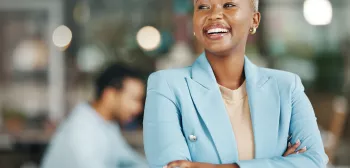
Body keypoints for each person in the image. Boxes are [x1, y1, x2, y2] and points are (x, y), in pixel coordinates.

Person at [143, 0, 329, 168]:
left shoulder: (287, 87)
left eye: (228, 5)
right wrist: (281, 162)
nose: (213, 14)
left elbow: (314, 161)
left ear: (254, 20)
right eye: (203, 7)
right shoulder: (166, 85)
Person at [41, 64, 148, 168]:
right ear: (110, 95)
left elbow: (129, 160)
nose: (138, 108)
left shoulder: (106, 125)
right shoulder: (82, 130)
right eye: (134, 99)